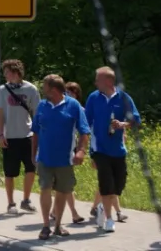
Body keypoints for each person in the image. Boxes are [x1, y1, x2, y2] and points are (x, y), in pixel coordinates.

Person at [31, 74, 90, 240]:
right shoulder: (42, 105)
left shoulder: (73, 105)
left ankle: (57, 225)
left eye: (45, 88)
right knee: (45, 188)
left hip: (65, 159)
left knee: (63, 191)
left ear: (54, 90)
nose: (43, 91)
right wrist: (33, 153)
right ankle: (45, 226)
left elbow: (84, 131)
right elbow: (35, 131)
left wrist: (81, 151)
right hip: (44, 157)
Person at [85, 66, 140, 233]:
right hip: (100, 149)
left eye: (98, 79)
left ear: (108, 81)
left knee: (118, 186)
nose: (95, 82)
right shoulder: (93, 98)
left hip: (118, 149)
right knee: (106, 185)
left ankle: (103, 206)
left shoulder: (123, 98)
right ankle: (109, 219)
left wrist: (123, 124)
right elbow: (85, 125)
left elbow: (135, 120)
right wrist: (88, 152)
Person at [0, 59, 40, 214]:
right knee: (10, 172)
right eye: (4, 72)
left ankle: (26, 199)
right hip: (10, 136)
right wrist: (1, 134)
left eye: (8, 72)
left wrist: (37, 135)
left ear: (16, 72)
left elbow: (36, 113)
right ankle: (11, 202)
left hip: (28, 135)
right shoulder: (2, 90)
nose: (6, 75)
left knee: (31, 168)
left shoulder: (31, 89)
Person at [49, 82, 85, 224]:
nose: (70, 95)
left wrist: (82, 150)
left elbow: (85, 130)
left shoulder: (79, 109)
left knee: (64, 183)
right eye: (67, 92)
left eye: (73, 92)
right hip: (57, 150)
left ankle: (53, 211)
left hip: (70, 149)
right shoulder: (57, 106)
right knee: (65, 184)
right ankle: (74, 213)